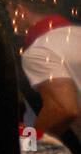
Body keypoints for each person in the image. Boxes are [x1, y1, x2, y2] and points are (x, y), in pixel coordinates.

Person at [18, 8, 79, 146]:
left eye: (8, 11)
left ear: (21, 10)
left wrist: (28, 147)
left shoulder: (40, 50)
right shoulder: (75, 34)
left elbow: (62, 109)